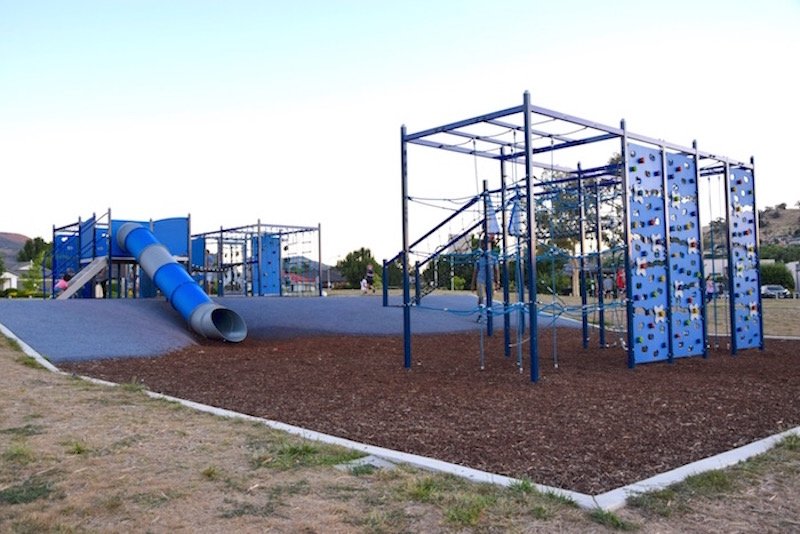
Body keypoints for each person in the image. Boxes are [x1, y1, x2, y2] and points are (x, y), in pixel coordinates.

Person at [471, 236, 499, 308]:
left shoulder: (493, 257)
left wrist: (497, 282)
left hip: (490, 280)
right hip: (481, 279)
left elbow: (496, 270)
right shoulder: (479, 257)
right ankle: (480, 313)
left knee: (490, 297)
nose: (485, 246)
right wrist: (473, 284)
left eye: (488, 244)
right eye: (484, 244)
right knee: (481, 297)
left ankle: (489, 311)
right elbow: (476, 271)